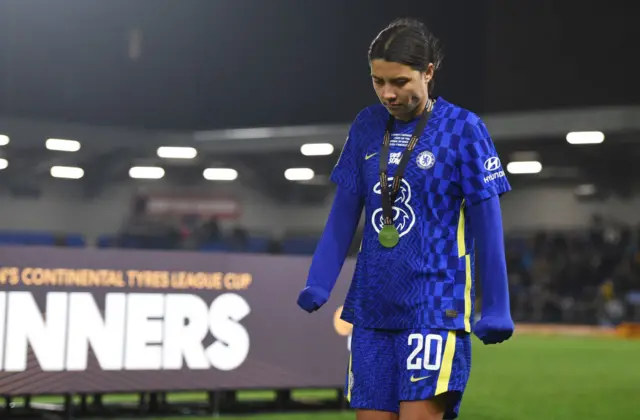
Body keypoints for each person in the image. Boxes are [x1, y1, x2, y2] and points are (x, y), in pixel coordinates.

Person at [297, 17, 513, 420]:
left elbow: (488, 223)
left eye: (399, 82)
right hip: (372, 305)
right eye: (378, 81)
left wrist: (497, 304)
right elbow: (343, 214)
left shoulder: (464, 129)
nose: (387, 94)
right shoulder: (366, 126)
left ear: (428, 72)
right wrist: (319, 280)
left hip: (435, 304)